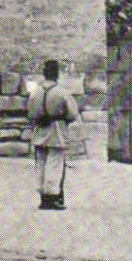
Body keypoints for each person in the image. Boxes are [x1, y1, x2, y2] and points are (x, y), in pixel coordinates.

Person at [27, 60, 80, 211]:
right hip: (56, 130)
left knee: (41, 163)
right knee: (55, 164)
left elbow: (30, 113)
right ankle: (52, 197)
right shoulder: (62, 92)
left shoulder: (35, 92)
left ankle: (43, 196)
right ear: (57, 74)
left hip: (39, 130)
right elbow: (73, 113)